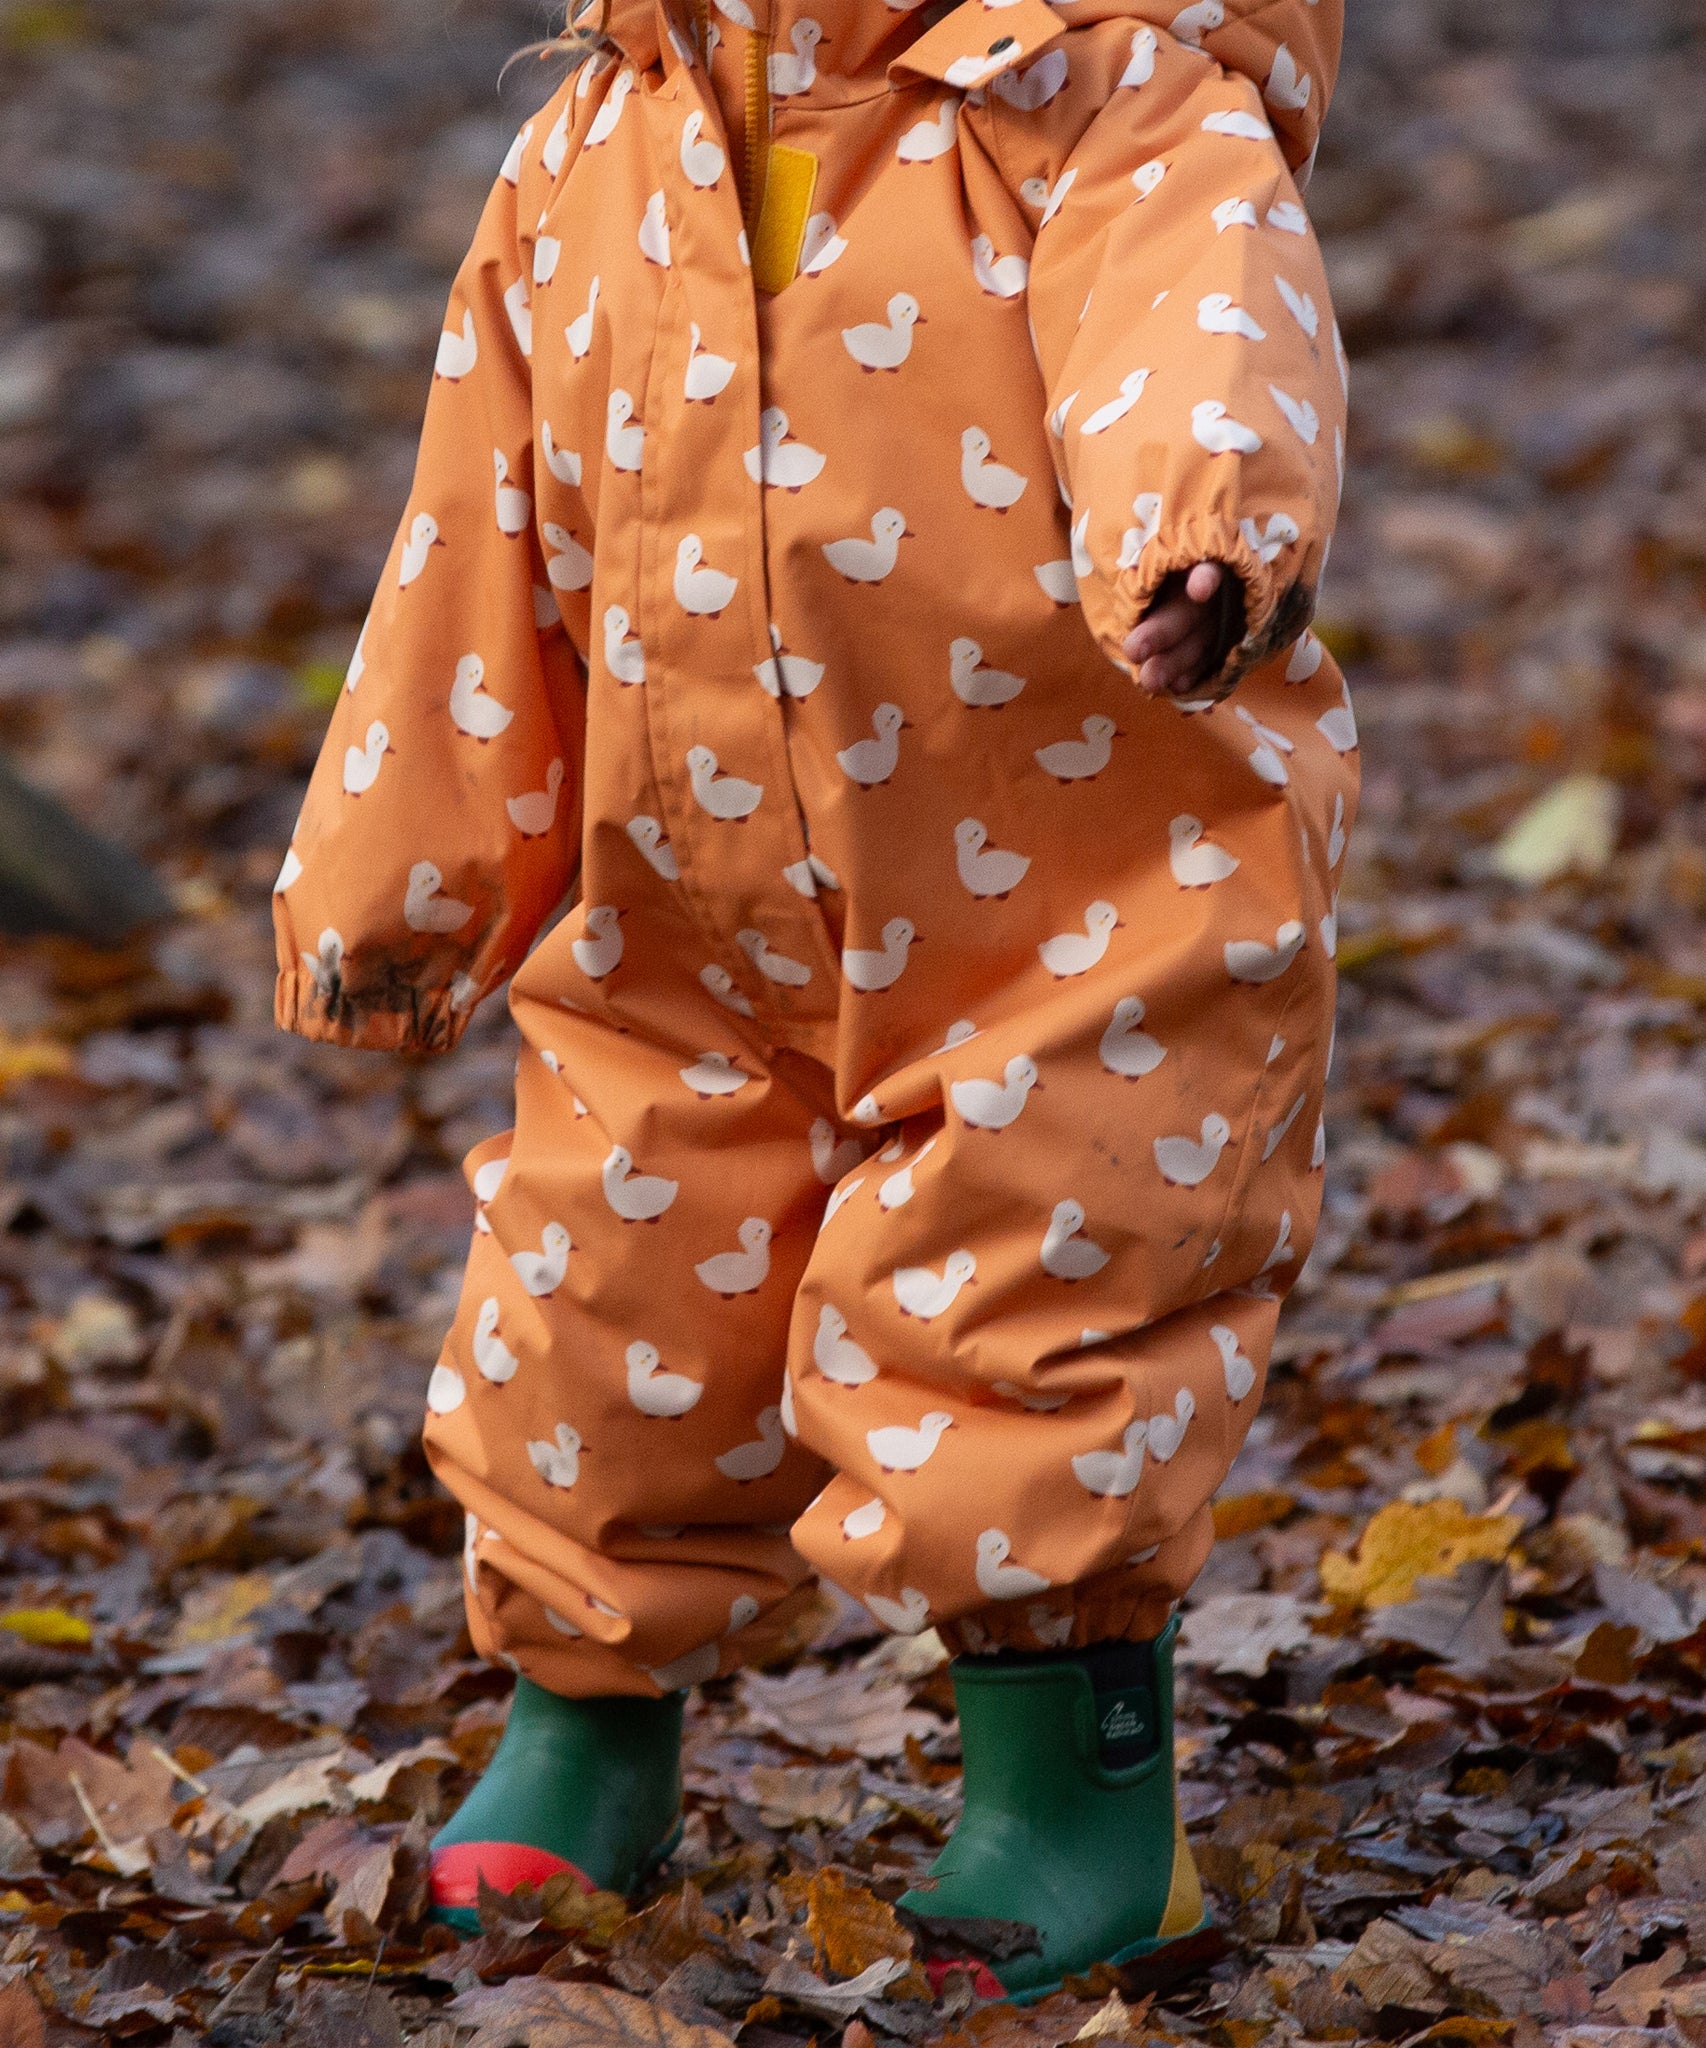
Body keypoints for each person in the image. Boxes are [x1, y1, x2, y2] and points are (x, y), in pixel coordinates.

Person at [274, 0, 1353, 1996]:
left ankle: (1076, 1788)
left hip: (1064, 880)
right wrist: (401, 857)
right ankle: (584, 1735)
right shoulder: (591, 151)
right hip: (675, 894)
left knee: (1042, 1297)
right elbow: (477, 531)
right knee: (605, 1299)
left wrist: (1202, 528)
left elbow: (1200, 327)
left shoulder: (1103, 106)